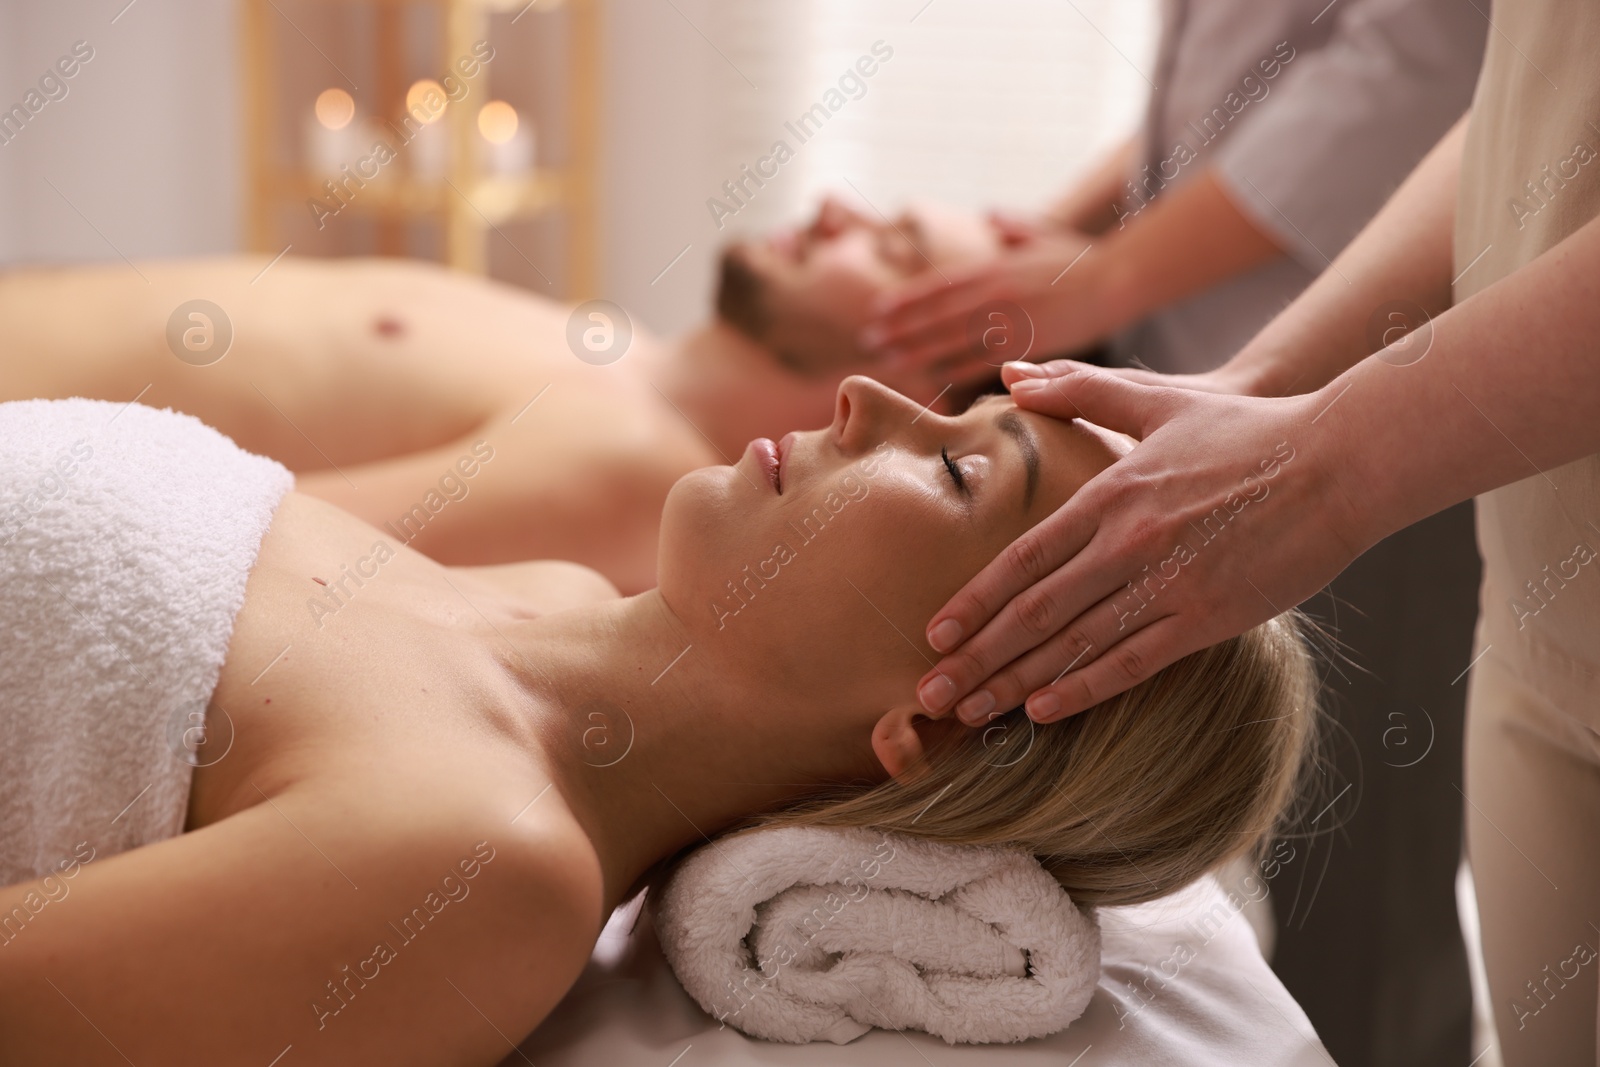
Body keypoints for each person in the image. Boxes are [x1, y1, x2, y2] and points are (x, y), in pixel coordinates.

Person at [0, 378, 1317, 1064]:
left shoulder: (484, 864)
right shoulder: (541, 590)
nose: (870, 397)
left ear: (935, 724)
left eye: (961, 468)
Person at [915, 2, 1600, 1061]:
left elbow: (1411, 63)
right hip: (1540, 589)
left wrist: (1325, 466)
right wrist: (1259, 384)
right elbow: (1524, 114)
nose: (866, 405)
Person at [0, 196, 997, 594]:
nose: (836, 210)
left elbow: (221, 546)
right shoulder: (624, 360)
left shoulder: (630, 467)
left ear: (921, 376)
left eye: (894, 244)